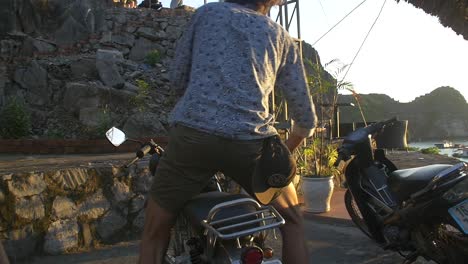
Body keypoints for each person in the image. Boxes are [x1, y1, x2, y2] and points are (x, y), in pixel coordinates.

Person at [138, 0, 317, 263]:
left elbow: (177, 78)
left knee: (155, 229)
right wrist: (283, 152)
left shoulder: (207, 14)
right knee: (291, 220)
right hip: (252, 143)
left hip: (193, 137)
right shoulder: (281, 36)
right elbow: (306, 117)